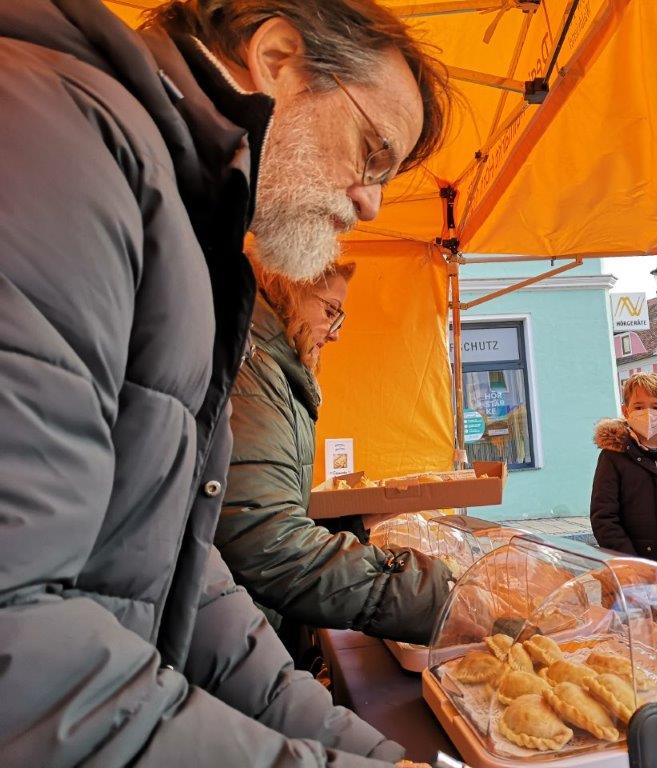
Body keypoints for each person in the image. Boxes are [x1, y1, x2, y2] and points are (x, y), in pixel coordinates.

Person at [0, 0, 448, 765]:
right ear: (277, 58)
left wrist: (361, 748)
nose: (372, 200)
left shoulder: (174, 206)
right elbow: (18, 638)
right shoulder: (60, 136)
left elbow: (182, 568)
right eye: (373, 152)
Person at [217, 258, 452, 651]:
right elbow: (264, 543)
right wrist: (440, 602)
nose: (337, 333)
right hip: (235, 631)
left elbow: (261, 509)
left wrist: (352, 522)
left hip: (250, 622)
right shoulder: (253, 370)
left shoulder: (274, 367)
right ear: (285, 287)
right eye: (330, 310)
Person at [590, 373, 657, 560]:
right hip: (636, 566)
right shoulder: (613, 456)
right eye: (638, 406)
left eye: (656, 406)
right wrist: (631, 562)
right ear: (626, 411)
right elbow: (604, 517)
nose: (648, 413)